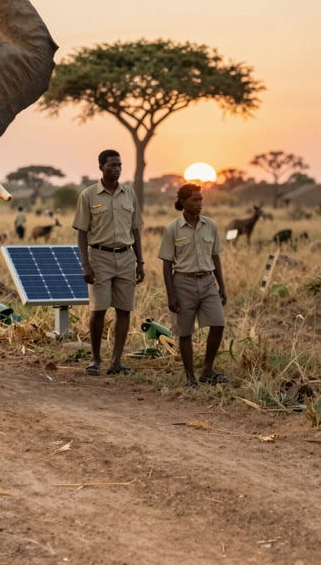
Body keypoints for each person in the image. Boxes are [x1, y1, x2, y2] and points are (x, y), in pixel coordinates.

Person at [73, 149, 144, 376]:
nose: (117, 169)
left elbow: (135, 230)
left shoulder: (129, 194)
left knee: (124, 310)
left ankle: (116, 361)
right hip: (99, 257)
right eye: (112, 165)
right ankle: (95, 359)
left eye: (119, 165)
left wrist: (140, 262)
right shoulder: (88, 195)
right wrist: (85, 265)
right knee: (98, 309)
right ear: (101, 167)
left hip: (126, 257)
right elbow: (82, 233)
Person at [157, 182, 228, 387]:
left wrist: (221, 286)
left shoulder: (210, 225)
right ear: (182, 202)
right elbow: (167, 263)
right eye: (194, 200)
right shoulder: (172, 229)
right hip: (183, 282)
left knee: (218, 323)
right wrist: (171, 294)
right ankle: (190, 377)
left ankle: (207, 369)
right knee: (185, 331)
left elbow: (215, 257)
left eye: (201, 199)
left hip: (207, 282)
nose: (199, 204)